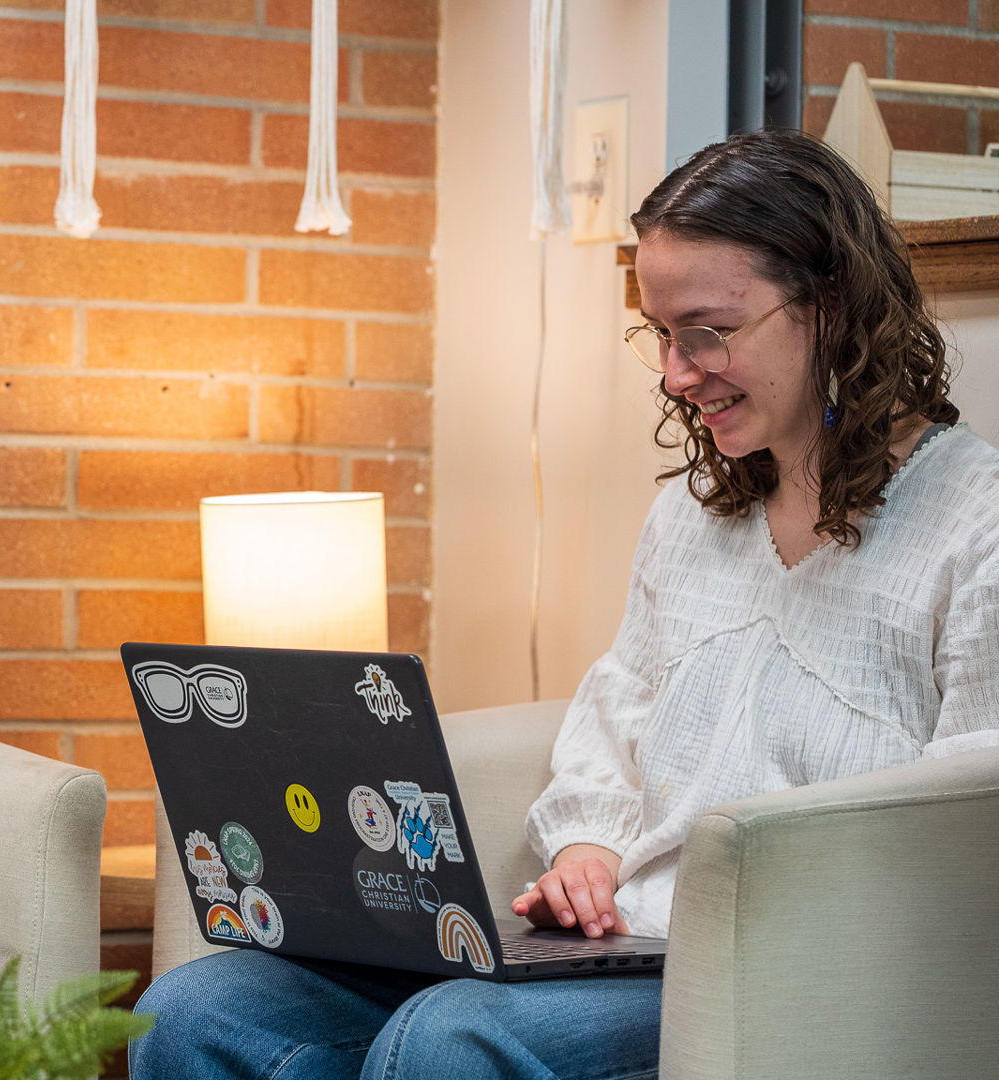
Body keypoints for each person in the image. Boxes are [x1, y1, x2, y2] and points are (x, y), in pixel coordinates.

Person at [129, 127, 999, 1079]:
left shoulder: (972, 521)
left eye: (707, 332)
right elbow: (614, 722)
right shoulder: (691, 518)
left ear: (830, 303)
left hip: (783, 969)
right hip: (625, 942)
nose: (676, 373)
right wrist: (587, 852)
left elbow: (962, 811)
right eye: (661, 336)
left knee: (449, 1040)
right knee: (196, 1008)